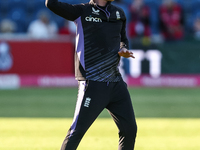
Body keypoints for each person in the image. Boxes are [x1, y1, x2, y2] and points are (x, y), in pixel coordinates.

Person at [46, 0, 137, 150]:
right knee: (77, 131)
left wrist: (123, 49)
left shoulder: (119, 13)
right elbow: (52, 4)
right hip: (92, 83)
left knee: (130, 129)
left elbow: (123, 40)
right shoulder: (82, 11)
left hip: (115, 82)